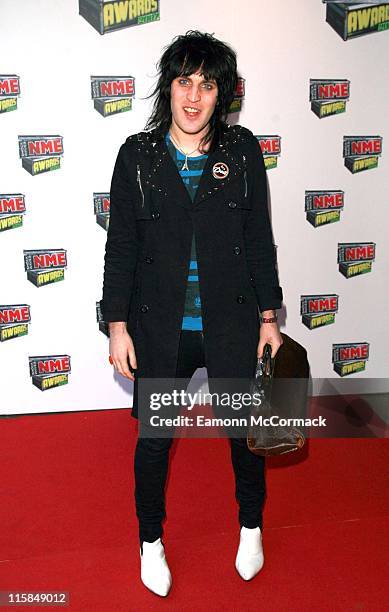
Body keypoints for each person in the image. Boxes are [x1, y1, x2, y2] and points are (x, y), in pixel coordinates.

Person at [101, 30, 283, 597]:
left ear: (222, 94)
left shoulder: (243, 150)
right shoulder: (138, 157)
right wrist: (117, 325)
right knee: (154, 441)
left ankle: (250, 528)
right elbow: (122, 248)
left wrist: (269, 319)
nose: (194, 96)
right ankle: (149, 541)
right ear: (169, 87)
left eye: (207, 84)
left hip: (231, 323)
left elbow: (259, 239)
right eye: (185, 81)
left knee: (246, 437)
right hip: (160, 329)